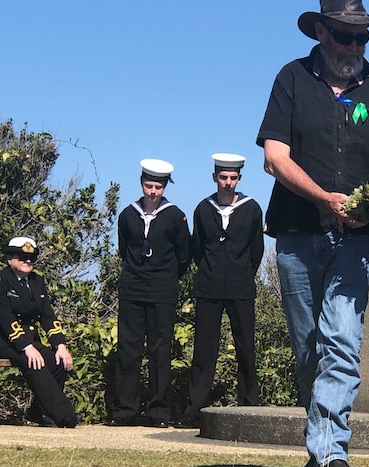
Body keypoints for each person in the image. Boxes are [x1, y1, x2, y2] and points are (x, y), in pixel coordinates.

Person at [256, 1, 369, 467]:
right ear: (322, 33)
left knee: (342, 339)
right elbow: (274, 158)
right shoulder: (291, 78)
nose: (354, 46)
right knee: (310, 348)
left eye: (362, 37)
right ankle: (319, 456)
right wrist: (323, 197)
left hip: (360, 238)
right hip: (296, 231)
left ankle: (331, 457)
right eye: (345, 36)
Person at [177, 153, 265, 429]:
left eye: (233, 178)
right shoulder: (203, 209)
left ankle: (249, 406)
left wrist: (241, 274)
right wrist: (211, 271)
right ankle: (195, 409)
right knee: (204, 350)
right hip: (209, 287)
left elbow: (256, 250)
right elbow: (198, 249)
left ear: (239, 179)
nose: (228, 182)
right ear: (215, 178)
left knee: (245, 347)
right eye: (223, 177)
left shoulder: (252, 209)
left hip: (241, 287)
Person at [109, 159, 190, 428]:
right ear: (141, 184)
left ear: (165, 187)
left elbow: (183, 257)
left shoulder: (175, 216)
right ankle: (125, 411)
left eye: (158, 186)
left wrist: (164, 277)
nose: (153, 191)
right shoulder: (127, 215)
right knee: (128, 350)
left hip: (162, 290)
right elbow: (124, 251)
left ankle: (158, 412)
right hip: (132, 288)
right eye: (148, 185)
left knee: (159, 351)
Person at [0, 236, 81, 428]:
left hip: (24, 342)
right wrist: (27, 347)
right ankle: (66, 416)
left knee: (56, 362)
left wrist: (60, 345)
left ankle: (40, 412)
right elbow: (4, 318)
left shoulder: (36, 281)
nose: (27, 261)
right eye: (22, 256)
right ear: (10, 258)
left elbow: (47, 315)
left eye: (31, 257)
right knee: (32, 361)